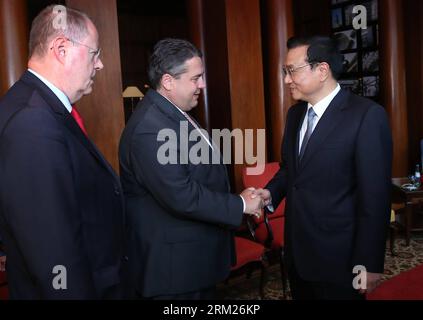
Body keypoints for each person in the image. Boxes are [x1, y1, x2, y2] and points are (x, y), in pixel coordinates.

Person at [119, 38, 263, 300]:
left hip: (191, 262)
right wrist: (239, 205)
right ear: (168, 81)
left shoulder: (171, 113)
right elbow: (181, 195)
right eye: (196, 78)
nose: (203, 85)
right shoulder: (150, 128)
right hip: (173, 273)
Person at [0, 5, 125, 299]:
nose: (100, 65)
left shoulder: (37, 106)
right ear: (61, 49)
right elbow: (55, 253)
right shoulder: (34, 121)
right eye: (95, 53)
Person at [253, 36, 392, 300]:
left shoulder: (366, 116)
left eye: (291, 71)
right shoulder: (295, 116)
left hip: (339, 259)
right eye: (285, 72)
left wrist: (370, 263)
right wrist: (270, 194)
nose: (286, 80)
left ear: (322, 70)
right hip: (297, 255)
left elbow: (374, 199)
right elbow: (290, 171)